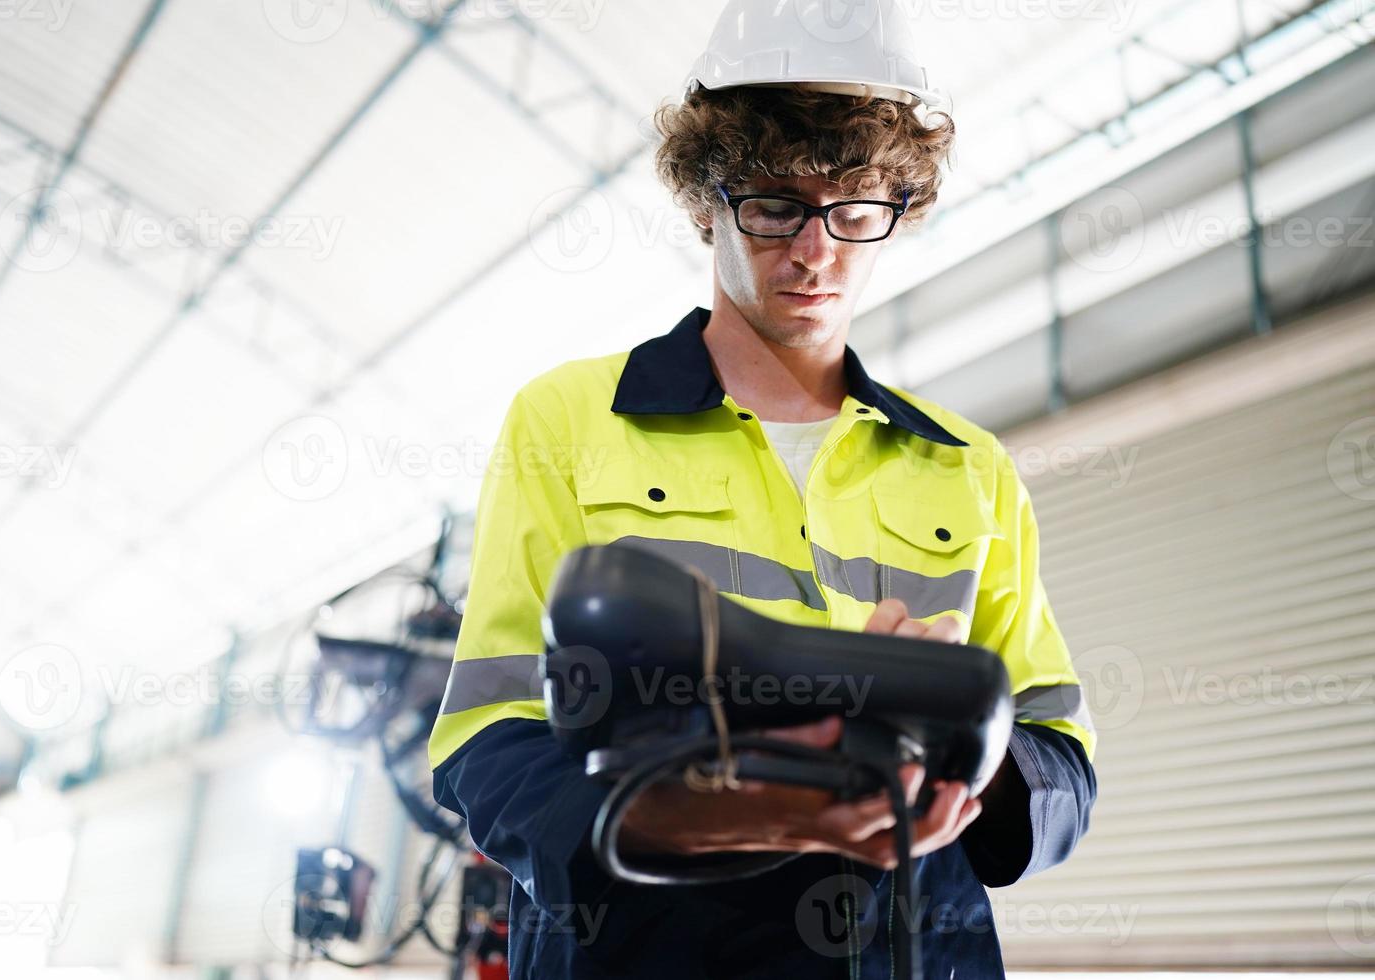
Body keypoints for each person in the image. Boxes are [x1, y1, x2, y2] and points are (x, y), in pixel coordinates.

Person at [428, 1, 1097, 976]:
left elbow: (1063, 764)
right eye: (776, 204)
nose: (817, 250)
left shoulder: (970, 466)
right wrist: (735, 812)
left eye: (856, 207)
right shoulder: (571, 420)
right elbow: (490, 739)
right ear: (708, 198)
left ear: (899, 210)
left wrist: (952, 736)